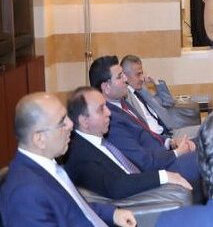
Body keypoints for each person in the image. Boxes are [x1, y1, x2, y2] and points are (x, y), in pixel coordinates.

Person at [0, 93, 150, 227]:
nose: (71, 124)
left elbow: (71, 207)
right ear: (39, 139)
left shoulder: (42, 167)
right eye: (62, 122)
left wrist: (112, 213)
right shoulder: (23, 192)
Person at [63, 86, 193, 200]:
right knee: (196, 162)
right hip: (139, 198)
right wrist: (164, 176)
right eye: (101, 109)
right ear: (84, 121)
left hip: (145, 179)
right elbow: (116, 186)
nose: (109, 113)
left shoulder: (97, 139)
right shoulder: (80, 154)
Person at [90, 56, 201, 185]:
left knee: (210, 140)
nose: (126, 79)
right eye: (120, 77)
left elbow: (147, 135)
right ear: (106, 87)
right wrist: (177, 152)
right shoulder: (110, 120)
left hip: (165, 154)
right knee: (210, 156)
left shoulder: (122, 104)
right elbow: (143, 162)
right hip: (163, 168)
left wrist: (172, 142)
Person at [120, 54, 200, 138]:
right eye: (138, 74)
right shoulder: (126, 95)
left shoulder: (142, 90)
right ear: (125, 76)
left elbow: (168, 102)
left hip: (170, 132)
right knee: (205, 132)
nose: (142, 78)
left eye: (142, 73)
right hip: (158, 139)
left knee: (206, 129)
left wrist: (156, 82)